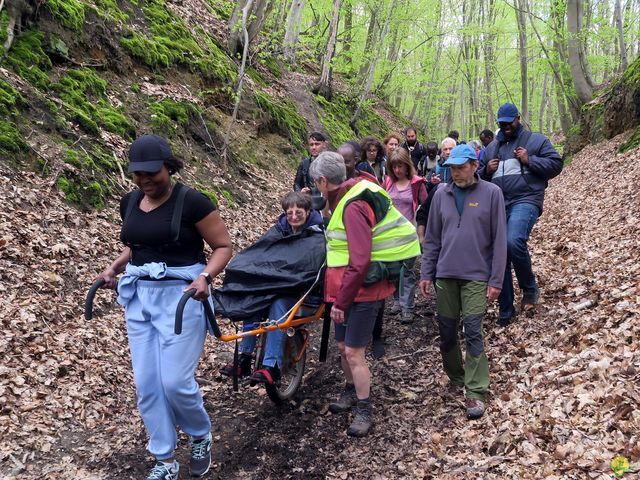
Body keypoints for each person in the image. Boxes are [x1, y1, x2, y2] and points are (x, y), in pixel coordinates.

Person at [96, 135, 233, 480]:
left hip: (182, 296)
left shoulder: (192, 202)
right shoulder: (129, 202)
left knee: (173, 381)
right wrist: (114, 267)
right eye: (137, 175)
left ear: (169, 167)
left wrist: (205, 277)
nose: (144, 181)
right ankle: (164, 459)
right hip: (140, 297)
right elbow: (138, 246)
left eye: (151, 174)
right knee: (147, 384)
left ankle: (200, 433)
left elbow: (222, 246)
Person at [309, 151, 420, 437]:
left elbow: (359, 261)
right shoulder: (341, 199)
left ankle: (364, 409)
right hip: (343, 290)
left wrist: (341, 302)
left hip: (361, 292)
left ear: (323, 181)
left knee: (355, 353)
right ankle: (350, 390)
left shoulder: (352, 207)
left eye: (314, 182)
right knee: (343, 348)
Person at [419, 144, 507, 420]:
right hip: (445, 274)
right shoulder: (440, 195)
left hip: (476, 275)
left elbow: (500, 240)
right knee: (446, 332)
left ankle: (476, 389)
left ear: (473, 165)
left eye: (460, 167)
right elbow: (432, 238)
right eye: (451, 168)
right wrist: (426, 272)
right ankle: (457, 377)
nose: (455, 173)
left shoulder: (492, 193)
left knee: (472, 329)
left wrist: (496, 279)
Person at [219, 192, 324, 384]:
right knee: (253, 300)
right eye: (289, 212)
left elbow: (311, 264)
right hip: (274, 285)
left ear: (308, 212)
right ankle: (244, 359)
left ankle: (271, 366)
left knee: (277, 303)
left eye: (298, 212)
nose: (293, 216)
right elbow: (259, 254)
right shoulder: (278, 230)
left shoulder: (317, 235)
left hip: (301, 291)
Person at [479, 103, 563, 326]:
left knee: (513, 240)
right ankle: (505, 309)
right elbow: (474, 177)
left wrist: (530, 160)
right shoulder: (491, 149)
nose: (506, 126)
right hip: (498, 205)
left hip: (526, 199)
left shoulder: (535, 141)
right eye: (502, 123)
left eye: (509, 122)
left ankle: (529, 288)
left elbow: (556, 164)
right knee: (499, 255)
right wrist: (485, 171)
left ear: (518, 119)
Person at [383, 148, 427, 324]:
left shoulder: (416, 183)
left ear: (406, 165)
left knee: (407, 271)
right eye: (394, 166)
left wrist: (422, 231)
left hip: (410, 234)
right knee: (393, 270)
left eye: (400, 165)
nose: (397, 170)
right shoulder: (388, 182)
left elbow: (425, 206)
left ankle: (407, 307)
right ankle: (396, 300)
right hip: (391, 234)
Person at [293, 132, 328, 209]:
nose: (314, 147)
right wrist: (300, 193)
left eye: (317, 144)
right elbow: (297, 183)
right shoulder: (305, 163)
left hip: (327, 204)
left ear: (324, 144)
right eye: (311, 145)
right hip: (308, 203)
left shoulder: (330, 163)